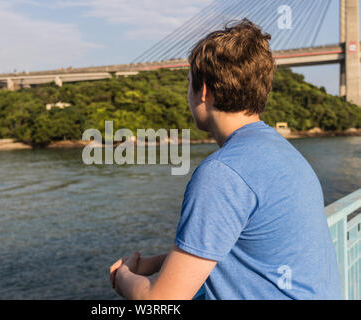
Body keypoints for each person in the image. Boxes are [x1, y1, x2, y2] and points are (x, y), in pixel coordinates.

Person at [109, 19, 341, 300]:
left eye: (189, 84)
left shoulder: (222, 172)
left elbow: (160, 300)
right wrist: (153, 264)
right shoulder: (284, 153)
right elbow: (239, 249)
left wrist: (123, 276)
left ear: (203, 90)